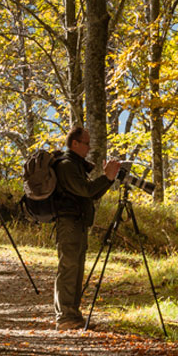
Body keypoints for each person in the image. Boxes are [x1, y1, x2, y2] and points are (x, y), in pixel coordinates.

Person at [53, 126, 119, 328]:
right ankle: (64, 317)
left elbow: (91, 193)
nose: (89, 148)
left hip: (78, 223)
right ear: (75, 144)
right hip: (69, 223)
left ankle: (73, 315)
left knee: (76, 269)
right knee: (68, 268)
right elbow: (86, 190)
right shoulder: (66, 165)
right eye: (86, 143)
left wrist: (107, 180)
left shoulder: (76, 165)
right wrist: (106, 177)